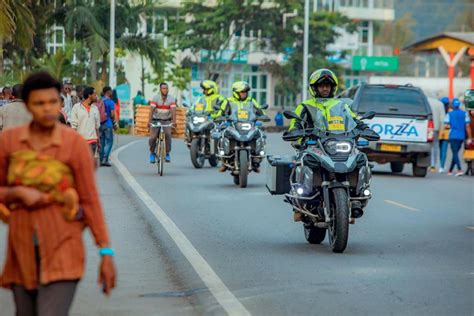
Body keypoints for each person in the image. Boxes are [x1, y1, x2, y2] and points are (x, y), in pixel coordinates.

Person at [0, 72, 116, 315]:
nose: (47, 109)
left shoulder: (73, 144)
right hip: (21, 248)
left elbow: (90, 199)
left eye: (52, 102)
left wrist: (105, 251)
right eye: (39, 103)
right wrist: (18, 193)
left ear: (60, 103)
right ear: (27, 106)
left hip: (64, 246)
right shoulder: (9, 142)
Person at [218, 81, 265, 172]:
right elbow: (221, 112)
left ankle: (256, 159)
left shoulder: (251, 100)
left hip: (249, 125)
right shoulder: (228, 101)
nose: (245, 94)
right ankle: (224, 160)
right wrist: (220, 117)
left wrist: (262, 115)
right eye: (242, 92)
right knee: (223, 134)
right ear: (236, 93)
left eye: (246, 92)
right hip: (233, 125)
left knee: (259, 134)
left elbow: (260, 111)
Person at [148, 82, 176, 163]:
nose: (165, 90)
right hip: (156, 120)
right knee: (153, 137)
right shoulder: (155, 98)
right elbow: (151, 111)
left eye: (166, 88)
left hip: (166, 120)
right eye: (163, 88)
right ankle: (152, 153)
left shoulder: (171, 98)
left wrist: (174, 121)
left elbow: (174, 111)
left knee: (168, 135)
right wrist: (149, 122)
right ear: (160, 89)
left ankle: (167, 153)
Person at [444, 98, 472, 176]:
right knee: (455, 152)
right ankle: (450, 170)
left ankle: (459, 169)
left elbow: (446, 125)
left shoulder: (449, 114)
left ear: (453, 105)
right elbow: (467, 126)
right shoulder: (464, 114)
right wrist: (469, 137)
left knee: (455, 152)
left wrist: (449, 127)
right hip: (461, 136)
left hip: (452, 135)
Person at [69, 87, 101, 156]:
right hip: (80, 142)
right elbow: (73, 126)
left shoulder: (95, 108)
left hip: (93, 142)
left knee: (89, 164)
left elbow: (97, 127)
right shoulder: (76, 107)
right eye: (95, 94)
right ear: (89, 95)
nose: (96, 97)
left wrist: (98, 141)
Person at [427, 97, 446, 172]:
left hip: (425, 127)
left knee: (426, 145)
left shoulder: (425, 101)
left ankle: (426, 163)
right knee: (434, 146)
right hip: (435, 128)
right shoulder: (440, 104)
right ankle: (432, 165)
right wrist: (442, 130)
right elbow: (442, 119)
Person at [99, 86, 116, 167]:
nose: (112, 92)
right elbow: (112, 114)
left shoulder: (99, 100)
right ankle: (105, 159)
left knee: (102, 142)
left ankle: (100, 159)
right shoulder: (110, 102)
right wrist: (114, 123)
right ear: (108, 92)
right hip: (108, 123)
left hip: (100, 123)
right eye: (111, 91)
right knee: (109, 142)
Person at [438, 96, 451, 173]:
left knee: (440, 150)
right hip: (446, 133)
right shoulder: (450, 112)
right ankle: (442, 166)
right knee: (444, 151)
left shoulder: (440, 111)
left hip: (440, 132)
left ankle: (441, 165)